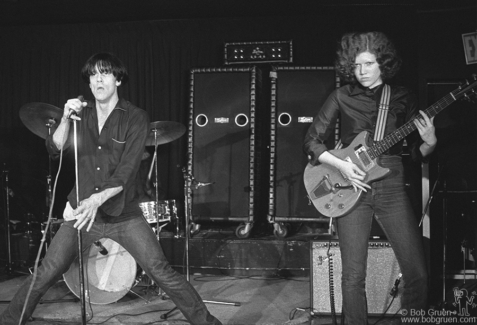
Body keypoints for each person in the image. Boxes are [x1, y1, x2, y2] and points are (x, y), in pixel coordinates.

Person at [0, 52, 222, 325]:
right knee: (47, 270)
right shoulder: (81, 115)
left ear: (118, 79)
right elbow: (54, 148)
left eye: (104, 73)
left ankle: (208, 323)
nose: (98, 80)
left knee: (160, 270)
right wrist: (66, 118)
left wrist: (98, 199)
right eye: (93, 75)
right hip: (83, 213)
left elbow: (127, 171)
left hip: (122, 214)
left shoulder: (135, 117)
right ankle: (11, 320)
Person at [304, 32, 436, 324]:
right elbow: (312, 141)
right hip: (349, 185)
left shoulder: (402, 97)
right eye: (356, 65)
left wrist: (429, 142)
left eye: (368, 64)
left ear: (383, 64)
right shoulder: (341, 96)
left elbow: (414, 154)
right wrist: (341, 164)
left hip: (391, 187)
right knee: (353, 275)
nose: (361, 71)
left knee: (417, 272)